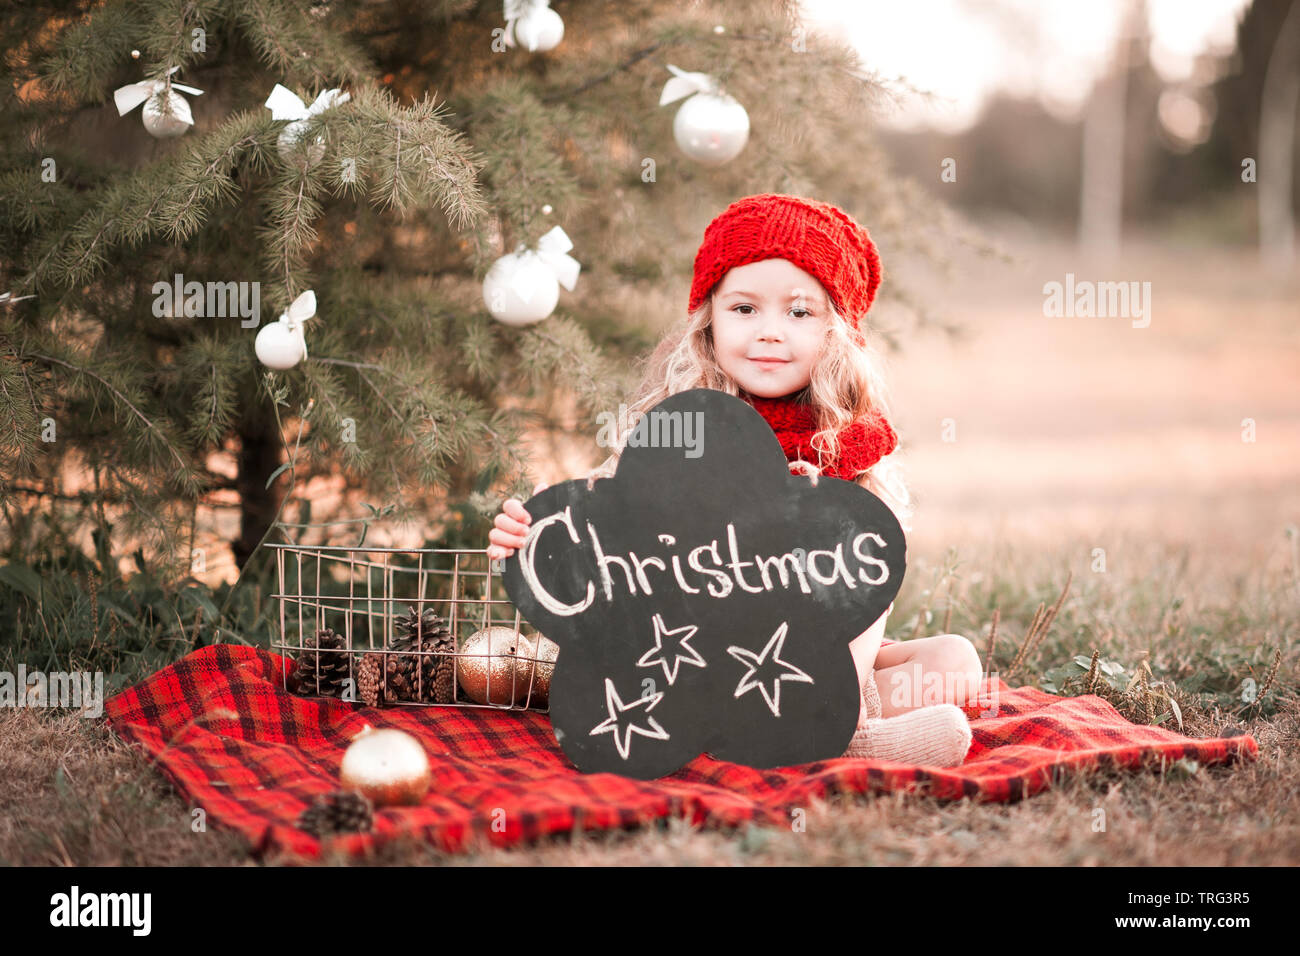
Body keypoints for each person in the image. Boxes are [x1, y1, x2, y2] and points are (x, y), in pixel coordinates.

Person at [488, 194, 980, 766]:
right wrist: (531, 535)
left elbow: (869, 586)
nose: (769, 332)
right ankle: (841, 741)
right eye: (744, 309)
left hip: (800, 662)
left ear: (837, 331)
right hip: (690, 654)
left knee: (956, 660)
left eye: (800, 313)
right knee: (600, 656)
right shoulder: (683, 426)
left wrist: (815, 514)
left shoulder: (848, 444)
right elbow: (604, 520)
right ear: (710, 319)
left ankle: (833, 722)